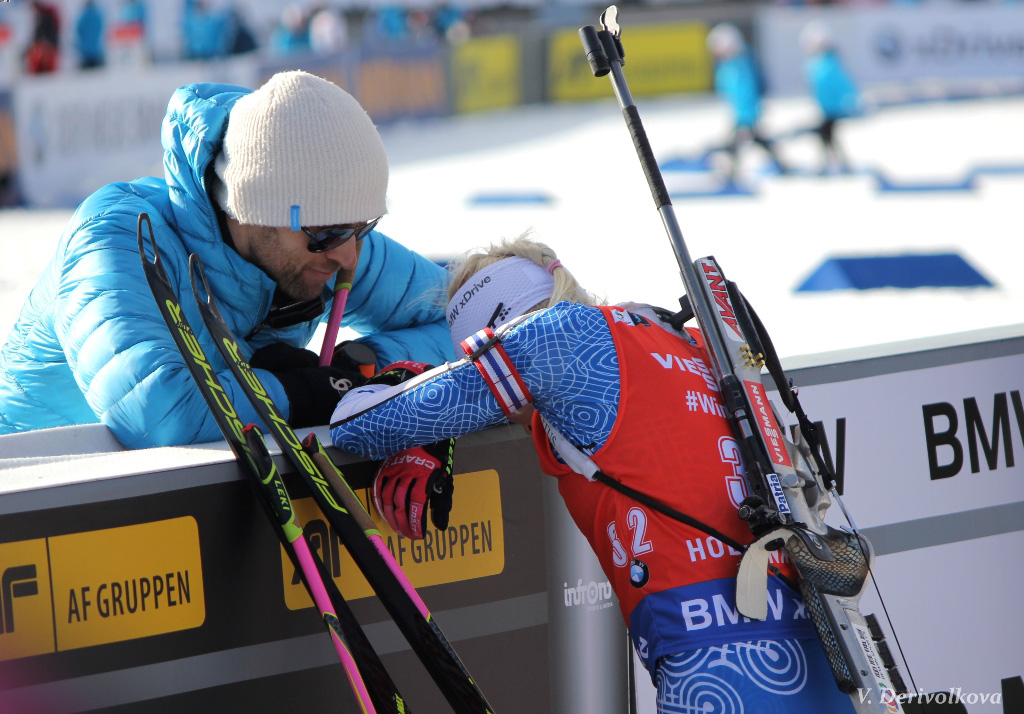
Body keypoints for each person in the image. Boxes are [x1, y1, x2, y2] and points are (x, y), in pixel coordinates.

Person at [329, 236, 857, 713]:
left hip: (715, 665)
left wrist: (410, 382)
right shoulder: (675, 335)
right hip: (819, 639)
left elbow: (363, 425)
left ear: (499, 330)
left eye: (475, 355)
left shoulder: (556, 336)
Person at [0, 70, 454, 448]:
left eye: (362, 227)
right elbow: (162, 417)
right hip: (37, 504)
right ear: (257, 212)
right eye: (331, 232)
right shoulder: (115, 237)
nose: (349, 254)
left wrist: (361, 368)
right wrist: (301, 393)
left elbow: (467, 316)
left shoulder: (324, 239)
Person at [706, 22, 787, 182]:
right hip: (741, 114)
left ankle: (732, 176)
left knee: (737, 144)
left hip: (746, 115)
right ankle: (781, 165)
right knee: (757, 140)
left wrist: (746, 117)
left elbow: (747, 92)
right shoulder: (728, 65)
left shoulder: (740, 64)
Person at [800, 22, 861, 175]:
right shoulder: (818, 62)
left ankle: (832, 164)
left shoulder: (828, 63)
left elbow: (843, 84)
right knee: (827, 136)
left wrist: (852, 100)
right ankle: (837, 164)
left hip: (833, 108)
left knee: (826, 135)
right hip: (826, 107)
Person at [74, 0, 105, 69]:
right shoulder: (98, 16)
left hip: (86, 53)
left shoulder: (84, 16)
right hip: (97, 52)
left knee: (87, 76)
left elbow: (78, 30)